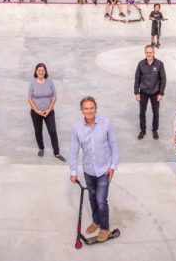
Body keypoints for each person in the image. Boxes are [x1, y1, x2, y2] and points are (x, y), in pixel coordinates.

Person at [68, 96, 119, 243]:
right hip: (88, 170)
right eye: (86, 108)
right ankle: (96, 221)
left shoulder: (106, 123)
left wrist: (113, 166)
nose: (89, 111)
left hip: (104, 169)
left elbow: (114, 145)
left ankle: (104, 228)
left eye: (91, 108)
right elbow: (73, 151)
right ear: (82, 110)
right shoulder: (77, 128)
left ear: (95, 109)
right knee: (92, 198)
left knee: (101, 200)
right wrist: (73, 172)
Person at [28, 63, 65, 161]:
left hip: (49, 112)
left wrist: (49, 109)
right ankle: (41, 148)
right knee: (38, 131)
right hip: (36, 112)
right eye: (39, 70)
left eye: (42, 70)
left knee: (52, 131)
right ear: (36, 71)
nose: (41, 72)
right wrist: (37, 110)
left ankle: (57, 153)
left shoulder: (49, 82)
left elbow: (54, 96)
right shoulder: (32, 83)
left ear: (45, 72)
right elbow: (29, 98)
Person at [134, 44, 166, 140]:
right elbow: (137, 79)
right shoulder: (141, 64)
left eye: (150, 52)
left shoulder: (159, 64)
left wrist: (161, 93)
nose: (149, 54)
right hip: (143, 92)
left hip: (155, 92)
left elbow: (163, 79)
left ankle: (155, 130)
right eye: (147, 52)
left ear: (154, 52)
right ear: (145, 53)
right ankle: (142, 131)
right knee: (142, 113)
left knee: (155, 113)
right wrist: (136, 92)